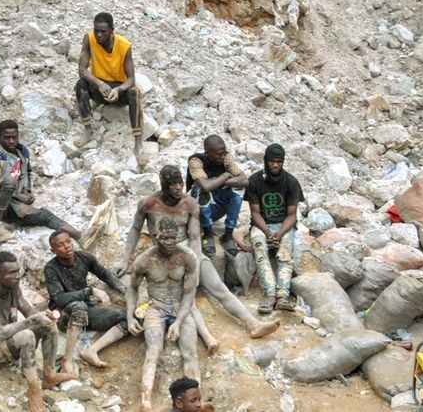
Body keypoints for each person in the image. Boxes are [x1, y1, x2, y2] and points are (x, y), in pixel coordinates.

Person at [116, 165, 279, 340]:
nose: (179, 187)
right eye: (173, 184)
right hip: (161, 257)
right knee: (183, 302)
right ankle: (205, 338)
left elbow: (194, 237)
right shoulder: (148, 204)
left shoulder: (189, 204)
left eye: (180, 182)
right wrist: (125, 260)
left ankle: (253, 324)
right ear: (164, 185)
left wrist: (194, 265)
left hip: (187, 251)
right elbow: (135, 229)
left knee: (218, 287)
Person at [0, 251, 76, 412]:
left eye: (18, 271)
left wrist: (44, 317)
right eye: (11, 273)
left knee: (49, 326)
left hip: (7, 341)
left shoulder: (13, 287)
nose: (17, 276)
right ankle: (33, 391)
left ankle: (50, 375)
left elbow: (29, 311)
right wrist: (32, 320)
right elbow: (0, 332)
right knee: (26, 335)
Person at [127, 217, 199, 412]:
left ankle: (194, 403)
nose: (169, 242)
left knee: (190, 352)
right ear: (155, 236)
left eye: (172, 238)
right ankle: (146, 401)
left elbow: (189, 292)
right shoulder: (144, 260)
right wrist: (130, 316)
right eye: (164, 238)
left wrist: (179, 322)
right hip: (156, 308)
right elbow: (132, 289)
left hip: (179, 307)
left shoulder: (187, 257)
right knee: (153, 350)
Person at [0, 119, 81, 242]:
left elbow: (26, 172)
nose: (11, 141)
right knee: (9, 181)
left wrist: (27, 191)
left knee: (43, 215)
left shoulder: (22, 152)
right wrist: (18, 195)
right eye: (6, 138)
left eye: (14, 137)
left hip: (11, 203)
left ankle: (80, 236)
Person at [44, 230, 128, 374]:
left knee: (128, 317)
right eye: (60, 245)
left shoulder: (84, 257)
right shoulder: (51, 268)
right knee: (79, 305)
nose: (67, 246)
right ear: (53, 250)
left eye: (68, 241)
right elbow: (58, 298)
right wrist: (90, 291)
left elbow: (104, 274)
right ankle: (67, 360)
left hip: (85, 310)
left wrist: (125, 291)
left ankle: (91, 350)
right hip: (63, 314)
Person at [244, 143, 304, 314]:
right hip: (262, 225)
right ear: (265, 161)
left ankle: (282, 296)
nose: (275, 165)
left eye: (279, 161)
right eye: (272, 161)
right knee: (260, 252)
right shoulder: (254, 181)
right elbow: (255, 213)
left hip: (283, 225)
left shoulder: (291, 182)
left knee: (285, 253)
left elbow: (292, 215)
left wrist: (279, 233)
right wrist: (268, 233)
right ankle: (270, 295)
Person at [75, 12, 143, 158]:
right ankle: (88, 131)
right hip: (99, 86)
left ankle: (138, 143)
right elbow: (82, 70)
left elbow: (131, 78)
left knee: (134, 92)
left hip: (118, 88)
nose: (98, 34)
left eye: (103, 31)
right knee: (80, 84)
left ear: (112, 30)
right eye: (96, 30)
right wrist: (99, 83)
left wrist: (119, 89)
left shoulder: (124, 45)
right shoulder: (89, 39)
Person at [186, 135, 248, 256]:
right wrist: (224, 176)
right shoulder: (195, 161)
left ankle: (228, 235)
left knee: (238, 190)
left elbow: (244, 180)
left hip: (217, 205)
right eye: (219, 154)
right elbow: (206, 186)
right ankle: (207, 234)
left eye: (223, 152)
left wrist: (218, 181)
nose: (222, 156)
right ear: (207, 153)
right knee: (201, 190)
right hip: (196, 208)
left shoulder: (226, 158)